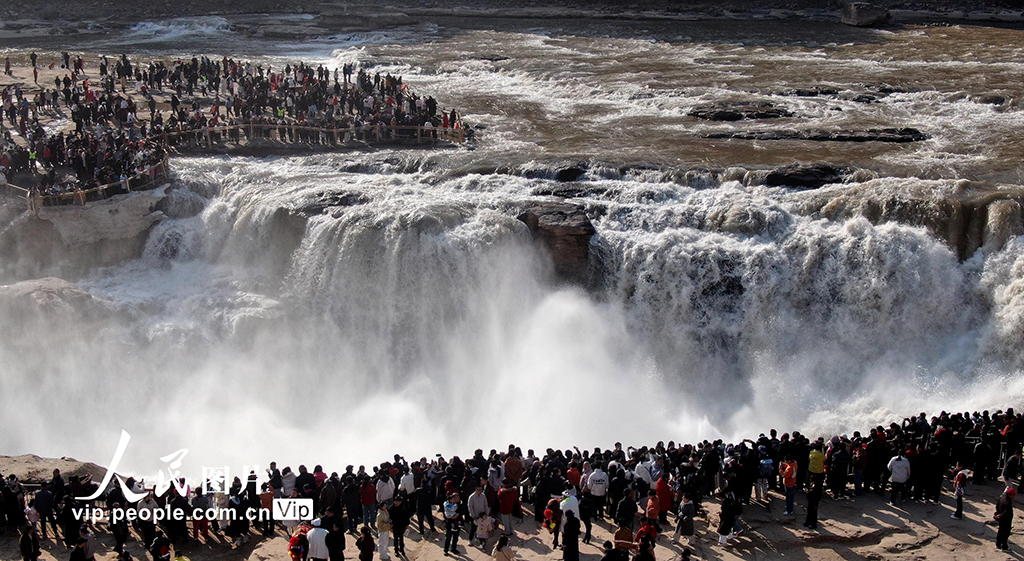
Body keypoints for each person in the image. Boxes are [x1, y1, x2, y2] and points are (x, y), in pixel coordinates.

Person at [995, 486, 1016, 551]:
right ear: (1010, 495)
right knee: (1005, 533)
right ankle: (1004, 547)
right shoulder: (1008, 502)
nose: (1014, 496)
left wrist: (997, 514)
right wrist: (1001, 515)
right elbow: (1006, 512)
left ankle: (998, 544)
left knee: (1000, 531)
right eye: (1013, 495)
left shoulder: (1002, 498)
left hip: (1001, 519)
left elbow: (997, 506)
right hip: (1006, 520)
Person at [443, 492, 461, 556]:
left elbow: (463, 511)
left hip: (457, 522)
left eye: (458, 497)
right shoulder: (447, 504)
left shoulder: (460, 504)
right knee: (448, 536)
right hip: (449, 522)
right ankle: (446, 549)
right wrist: (450, 517)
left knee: (456, 537)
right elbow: (445, 513)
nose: (457, 499)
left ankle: (454, 548)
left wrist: (458, 514)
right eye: (456, 497)